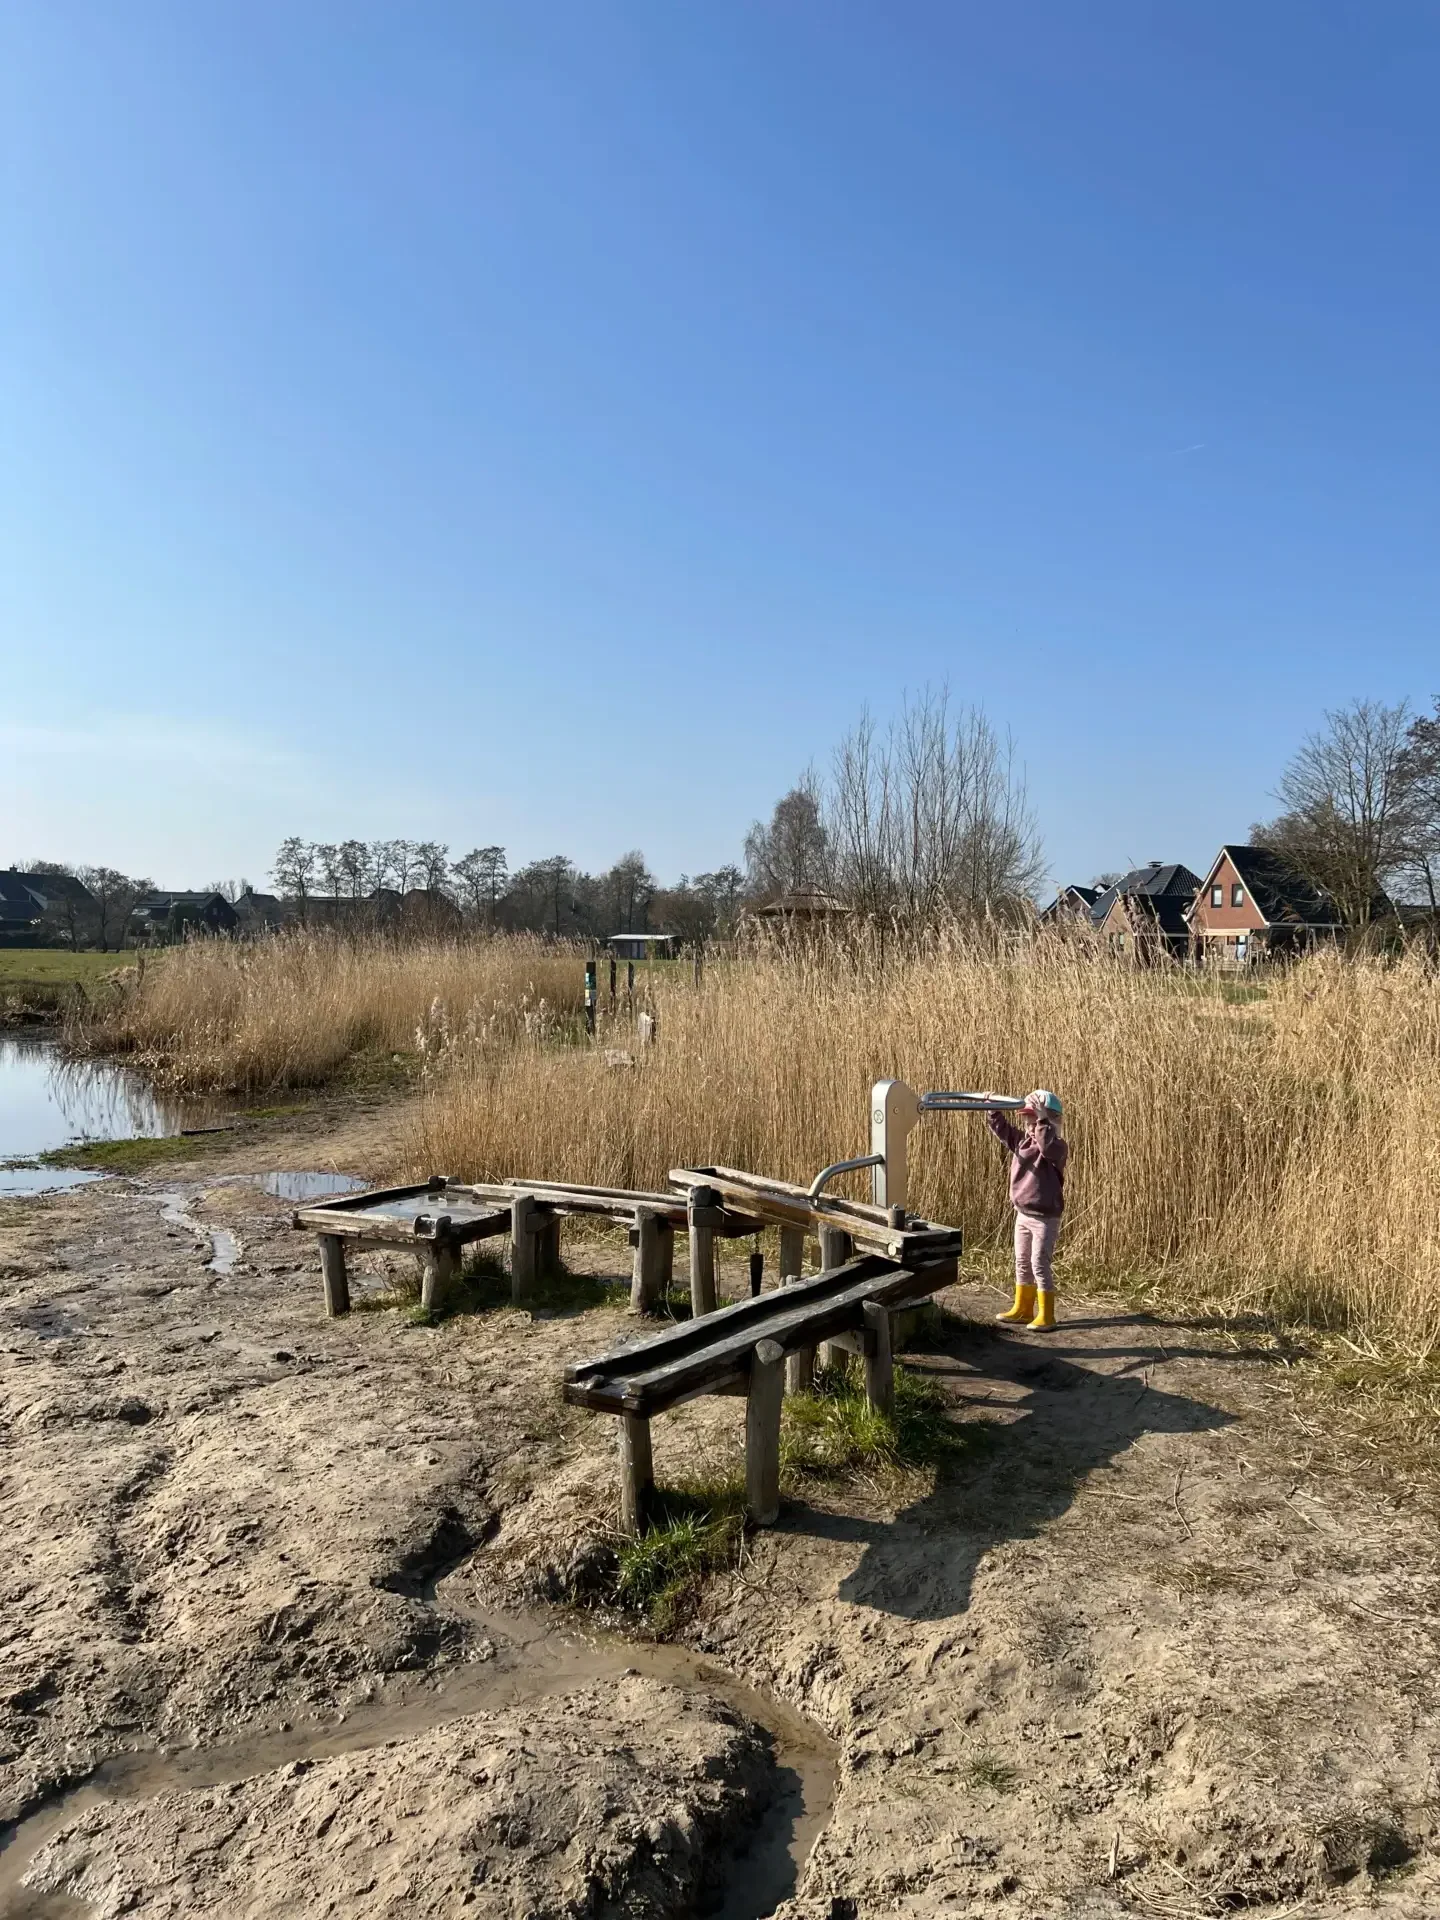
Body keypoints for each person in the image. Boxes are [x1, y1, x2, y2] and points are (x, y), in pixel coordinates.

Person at [983, 1089, 1067, 1331]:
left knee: (1039, 1263)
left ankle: (1047, 1314)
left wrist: (1042, 1119)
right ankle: (1023, 1308)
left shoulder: (1057, 1148)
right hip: (1023, 1213)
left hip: (1044, 1218)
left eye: (1037, 1123)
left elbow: (1046, 1147)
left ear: (1054, 1122)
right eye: (1028, 1122)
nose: (1031, 1128)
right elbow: (1003, 1131)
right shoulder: (1022, 1142)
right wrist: (993, 1109)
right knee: (1022, 1261)